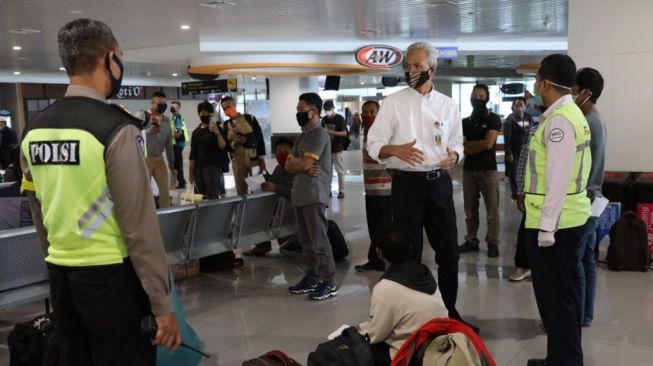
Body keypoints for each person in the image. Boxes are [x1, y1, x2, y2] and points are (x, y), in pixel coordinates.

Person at [19, 18, 180, 365]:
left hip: (61, 277)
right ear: (109, 59)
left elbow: (38, 211)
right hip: (112, 280)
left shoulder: (33, 130)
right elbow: (139, 227)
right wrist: (162, 305)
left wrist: (58, 256)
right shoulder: (115, 129)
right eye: (120, 56)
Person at [367, 42, 475, 331]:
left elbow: (456, 142)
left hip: (438, 184)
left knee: (448, 252)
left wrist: (455, 155)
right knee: (408, 252)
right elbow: (373, 144)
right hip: (407, 187)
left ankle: (449, 311)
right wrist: (394, 150)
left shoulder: (447, 105)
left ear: (432, 69)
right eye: (407, 66)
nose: (411, 71)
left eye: (417, 66)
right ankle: (412, 316)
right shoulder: (393, 103)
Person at [523, 54, 592, 366]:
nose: (536, 85)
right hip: (569, 218)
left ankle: (565, 361)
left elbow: (557, 179)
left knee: (556, 301)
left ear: (545, 83)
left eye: (538, 79)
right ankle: (560, 358)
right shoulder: (569, 113)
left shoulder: (560, 121)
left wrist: (547, 229)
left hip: (556, 224)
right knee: (564, 298)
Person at [357, 224, 448, 365]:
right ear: (410, 247)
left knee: (356, 351)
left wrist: (357, 331)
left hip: (413, 356)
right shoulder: (424, 273)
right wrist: (364, 325)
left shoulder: (386, 288)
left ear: (378, 251)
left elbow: (375, 335)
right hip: (440, 348)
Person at [285, 92, 337, 301]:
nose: (298, 113)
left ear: (313, 111)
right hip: (301, 193)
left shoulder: (318, 134)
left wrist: (299, 165)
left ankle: (328, 281)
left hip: (315, 194)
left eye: (301, 110)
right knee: (306, 241)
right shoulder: (303, 136)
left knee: (318, 240)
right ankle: (312, 276)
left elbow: (305, 164)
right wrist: (298, 165)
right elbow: (288, 164)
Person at [573, 67, 607, 328]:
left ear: (586, 93)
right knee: (587, 262)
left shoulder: (588, 123)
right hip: (595, 199)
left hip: (585, 200)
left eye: (574, 89)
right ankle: (584, 315)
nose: (571, 94)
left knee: (578, 263)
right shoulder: (597, 119)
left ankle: (576, 315)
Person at [458, 84, 502, 258]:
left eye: (482, 97)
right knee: (470, 210)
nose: (478, 99)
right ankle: (471, 240)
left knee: (492, 211)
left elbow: (489, 144)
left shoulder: (493, 119)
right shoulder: (464, 122)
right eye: (475, 96)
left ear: (487, 98)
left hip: (488, 171)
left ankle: (493, 242)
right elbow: (462, 148)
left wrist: (471, 145)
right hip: (469, 171)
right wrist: (479, 145)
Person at [355, 100, 392, 273]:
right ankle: (376, 259)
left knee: (381, 227)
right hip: (370, 188)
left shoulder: (384, 133)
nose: (368, 115)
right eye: (365, 112)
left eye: (372, 112)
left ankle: (380, 260)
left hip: (384, 188)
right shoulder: (367, 132)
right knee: (374, 226)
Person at [244, 137, 296, 256]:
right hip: (277, 209)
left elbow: (296, 193)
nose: (281, 153)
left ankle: (265, 244)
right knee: (256, 208)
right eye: (278, 150)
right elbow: (272, 185)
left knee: (261, 214)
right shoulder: (278, 169)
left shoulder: (297, 169)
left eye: (285, 150)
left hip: (289, 211)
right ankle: (262, 245)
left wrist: (276, 188)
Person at [508, 112, 540, 282]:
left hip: (559, 194)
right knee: (527, 230)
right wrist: (520, 190)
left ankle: (542, 267)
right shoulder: (536, 128)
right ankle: (523, 265)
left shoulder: (571, 123)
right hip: (535, 193)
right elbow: (524, 162)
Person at [221, 96, 266, 196]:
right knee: (241, 190)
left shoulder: (250, 119)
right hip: (237, 160)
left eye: (228, 107)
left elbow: (259, 139)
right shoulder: (224, 125)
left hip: (254, 159)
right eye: (224, 109)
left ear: (235, 105)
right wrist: (233, 144)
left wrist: (261, 159)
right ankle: (244, 209)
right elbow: (225, 146)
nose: (227, 110)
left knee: (257, 188)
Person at [189, 101, 227, 199]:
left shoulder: (217, 128)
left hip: (213, 168)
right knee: (199, 197)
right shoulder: (196, 132)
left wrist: (217, 133)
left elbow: (223, 146)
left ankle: (214, 214)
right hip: (199, 168)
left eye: (208, 114)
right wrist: (190, 173)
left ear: (212, 114)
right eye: (202, 114)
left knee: (213, 196)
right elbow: (192, 154)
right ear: (199, 114)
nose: (205, 116)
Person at [145, 91, 175, 208]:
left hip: (159, 158)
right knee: (144, 189)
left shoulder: (167, 121)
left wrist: (172, 165)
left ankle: (166, 212)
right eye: (159, 103)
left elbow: (168, 144)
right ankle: (145, 213)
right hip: (145, 157)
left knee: (164, 189)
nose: (162, 105)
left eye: (164, 103)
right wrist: (148, 131)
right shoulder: (144, 116)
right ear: (152, 103)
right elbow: (134, 133)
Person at [504, 97, 534, 199]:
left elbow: (534, 131)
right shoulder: (510, 120)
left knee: (525, 171)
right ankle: (515, 193)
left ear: (525, 107)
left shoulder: (529, 118)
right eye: (517, 105)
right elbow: (507, 138)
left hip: (526, 149)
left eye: (521, 105)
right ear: (513, 107)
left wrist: (528, 131)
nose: (519, 108)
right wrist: (509, 153)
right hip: (514, 150)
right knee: (514, 172)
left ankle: (524, 191)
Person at [321, 100, 348, 198]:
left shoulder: (339, 119)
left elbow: (344, 133)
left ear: (333, 108)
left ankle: (341, 191)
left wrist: (331, 132)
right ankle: (328, 189)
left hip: (337, 148)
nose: (327, 111)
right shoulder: (324, 120)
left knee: (340, 170)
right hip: (326, 150)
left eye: (329, 109)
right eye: (325, 110)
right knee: (327, 171)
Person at [170, 101, 189, 189]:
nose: (172, 108)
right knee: (177, 163)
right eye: (171, 107)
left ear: (178, 108)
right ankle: (182, 180)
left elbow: (179, 132)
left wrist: (169, 137)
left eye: (174, 107)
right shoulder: (175, 117)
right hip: (177, 143)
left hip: (178, 143)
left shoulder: (177, 117)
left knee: (178, 163)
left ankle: (181, 183)